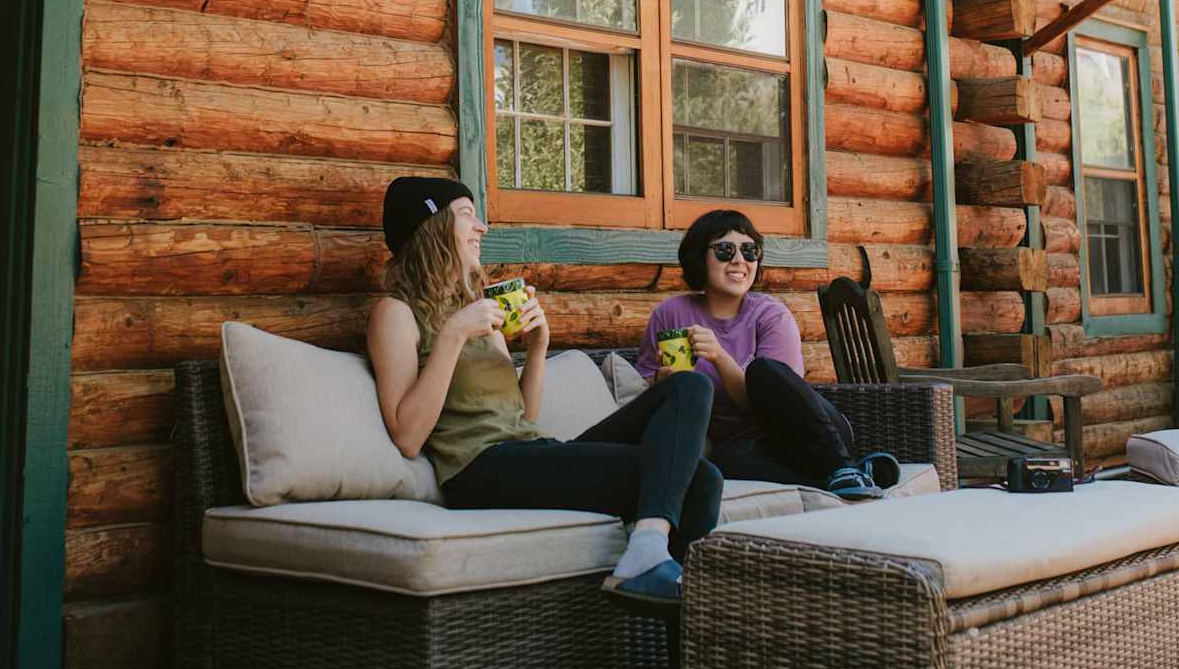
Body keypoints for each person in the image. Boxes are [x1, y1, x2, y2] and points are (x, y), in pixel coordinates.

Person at [368, 175, 723, 604]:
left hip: (529, 450)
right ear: (432, 229)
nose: (481, 227)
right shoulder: (396, 314)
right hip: (479, 471)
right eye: (466, 216)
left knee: (689, 392)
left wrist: (537, 349)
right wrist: (452, 336)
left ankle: (652, 566)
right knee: (699, 480)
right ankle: (646, 559)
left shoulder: (475, 310)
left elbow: (524, 418)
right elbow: (407, 437)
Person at [637, 209, 889, 501]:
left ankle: (842, 467)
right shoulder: (671, 314)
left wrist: (719, 356)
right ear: (699, 257)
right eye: (724, 250)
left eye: (749, 250)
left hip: (808, 433)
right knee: (721, 466)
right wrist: (661, 380)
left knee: (763, 371)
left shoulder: (771, 314)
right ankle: (851, 477)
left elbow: (778, 399)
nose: (739, 260)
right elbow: (644, 388)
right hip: (743, 444)